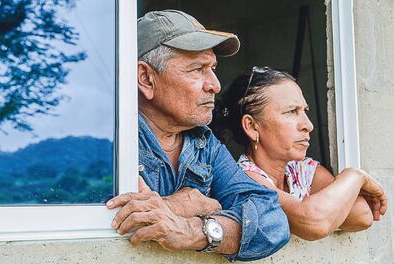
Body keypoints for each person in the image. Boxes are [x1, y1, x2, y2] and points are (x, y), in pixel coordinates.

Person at [106, 10, 290, 261]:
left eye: (212, 68)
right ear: (146, 78)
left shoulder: (204, 143)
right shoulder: (113, 141)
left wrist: (194, 229)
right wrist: (191, 204)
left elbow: (273, 222)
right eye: (197, 69)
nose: (215, 85)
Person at [214, 66, 388, 240]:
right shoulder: (247, 179)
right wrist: (355, 176)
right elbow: (314, 223)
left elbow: (363, 214)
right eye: (291, 112)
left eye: (304, 111)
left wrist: (323, 212)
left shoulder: (302, 170)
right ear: (252, 127)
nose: (308, 125)